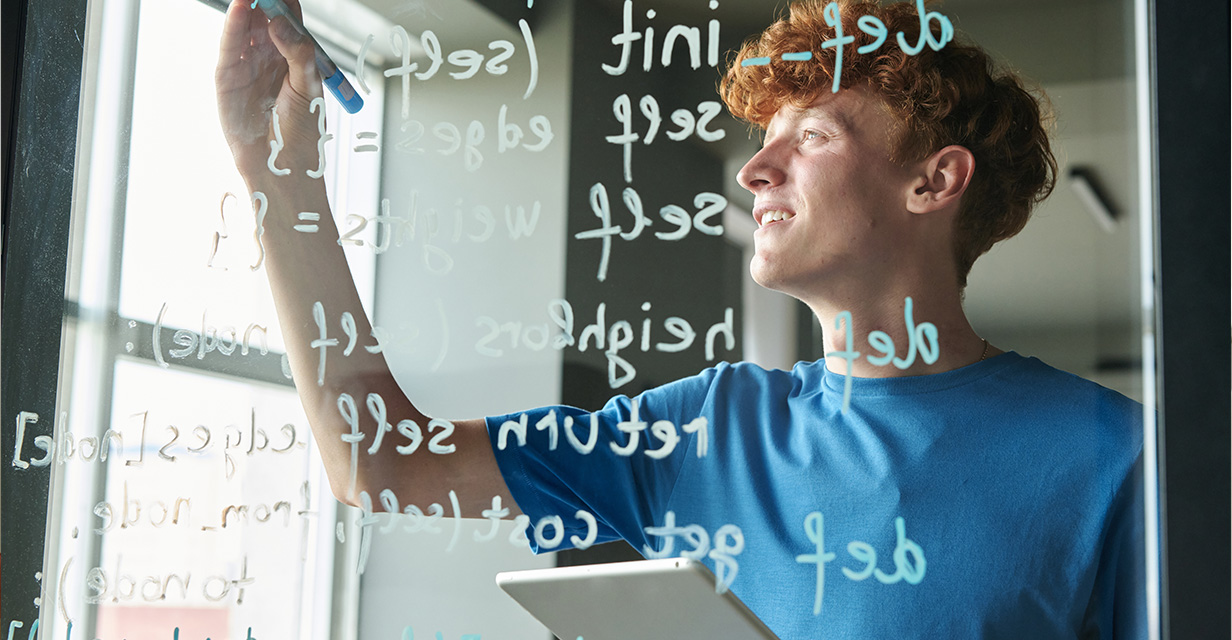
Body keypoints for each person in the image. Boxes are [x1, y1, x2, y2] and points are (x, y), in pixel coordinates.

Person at [216, 0, 1144, 637]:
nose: (756, 172)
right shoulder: (706, 427)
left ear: (932, 180)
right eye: (762, 143)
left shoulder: (1115, 456)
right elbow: (378, 460)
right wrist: (276, 170)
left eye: (810, 136)